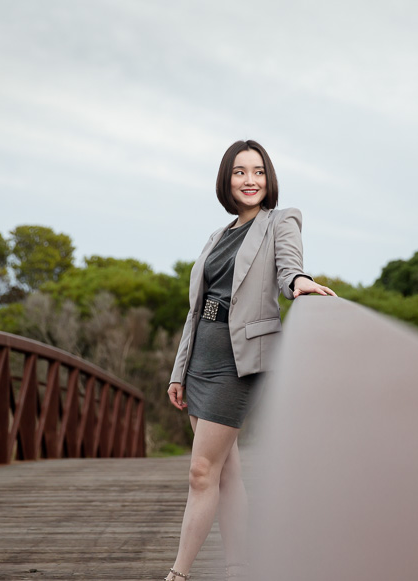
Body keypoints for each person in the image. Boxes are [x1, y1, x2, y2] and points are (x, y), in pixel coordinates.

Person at [163, 140, 336, 580]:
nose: (250, 180)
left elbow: (288, 268)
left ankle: (178, 574)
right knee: (225, 472)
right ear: (227, 180)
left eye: (258, 172)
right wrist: (179, 370)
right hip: (202, 354)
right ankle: (239, 567)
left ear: (269, 178)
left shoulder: (282, 221)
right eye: (240, 172)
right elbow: (196, 308)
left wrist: (299, 282)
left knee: (201, 472)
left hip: (238, 362)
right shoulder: (217, 237)